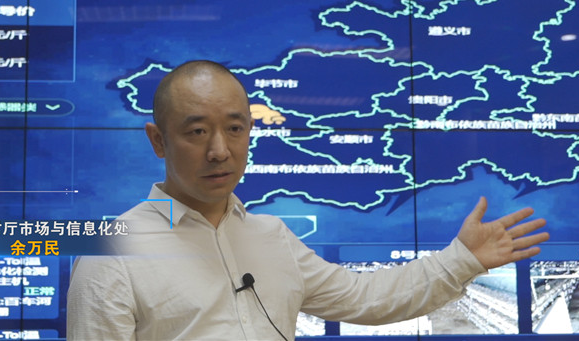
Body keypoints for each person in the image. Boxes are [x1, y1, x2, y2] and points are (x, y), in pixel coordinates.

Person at [67, 60, 549, 340]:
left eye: (235, 129)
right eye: (196, 132)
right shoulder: (112, 253)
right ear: (158, 140)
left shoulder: (271, 236)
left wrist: (462, 259)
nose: (220, 150)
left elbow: (364, 297)